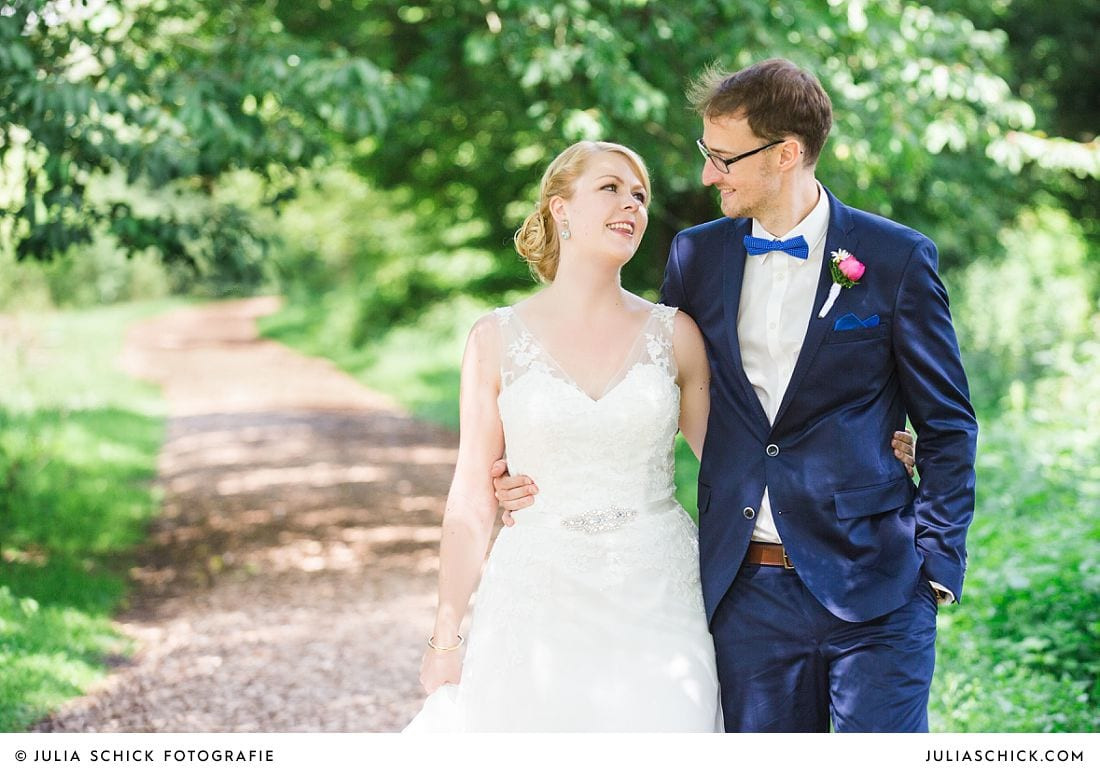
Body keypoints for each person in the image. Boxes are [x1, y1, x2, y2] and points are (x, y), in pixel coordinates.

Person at [494, 59, 976, 733]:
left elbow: (949, 424)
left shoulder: (896, 258)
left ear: (787, 153)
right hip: (744, 593)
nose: (706, 175)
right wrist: (528, 457)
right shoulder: (697, 256)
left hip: (878, 587)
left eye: (723, 158)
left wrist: (936, 562)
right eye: (706, 154)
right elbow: (644, 383)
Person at [407, 137, 916, 732]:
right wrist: (446, 640)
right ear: (559, 208)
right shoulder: (493, 339)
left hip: (659, 595)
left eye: (640, 196)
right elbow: (470, 495)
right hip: (536, 592)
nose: (632, 205)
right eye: (610, 188)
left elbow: (742, 456)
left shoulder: (675, 334)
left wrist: (875, 445)